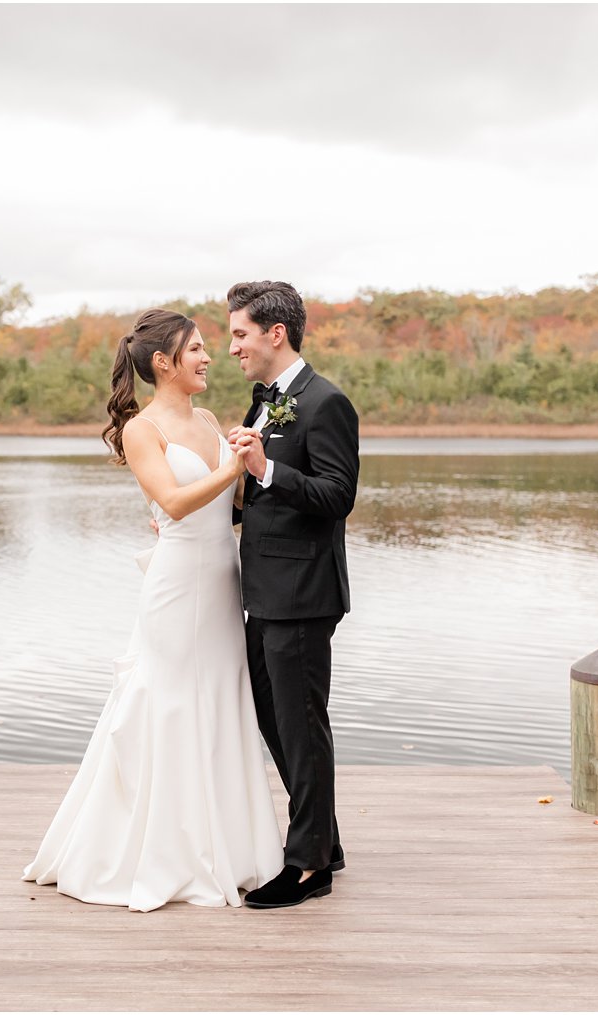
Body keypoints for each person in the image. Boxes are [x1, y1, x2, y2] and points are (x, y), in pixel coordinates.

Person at [22, 307, 283, 911]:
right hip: (175, 586)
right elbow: (174, 499)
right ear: (163, 363)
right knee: (168, 703)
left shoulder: (214, 418)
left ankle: (230, 850)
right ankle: (163, 853)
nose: (209, 357)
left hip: (222, 579)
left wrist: (254, 462)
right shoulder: (142, 429)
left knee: (220, 701)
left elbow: (235, 498)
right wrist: (230, 466)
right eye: (195, 349)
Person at [225, 280, 359, 910]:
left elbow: (337, 497)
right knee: (275, 720)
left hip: (304, 592)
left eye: (240, 334)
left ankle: (306, 865)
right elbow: (259, 496)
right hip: (264, 591)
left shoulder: (325, 402)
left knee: (303, 727)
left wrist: (267, 471)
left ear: (275, 334)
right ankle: (323, 840)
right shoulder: (267, 402)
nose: (232, 348)